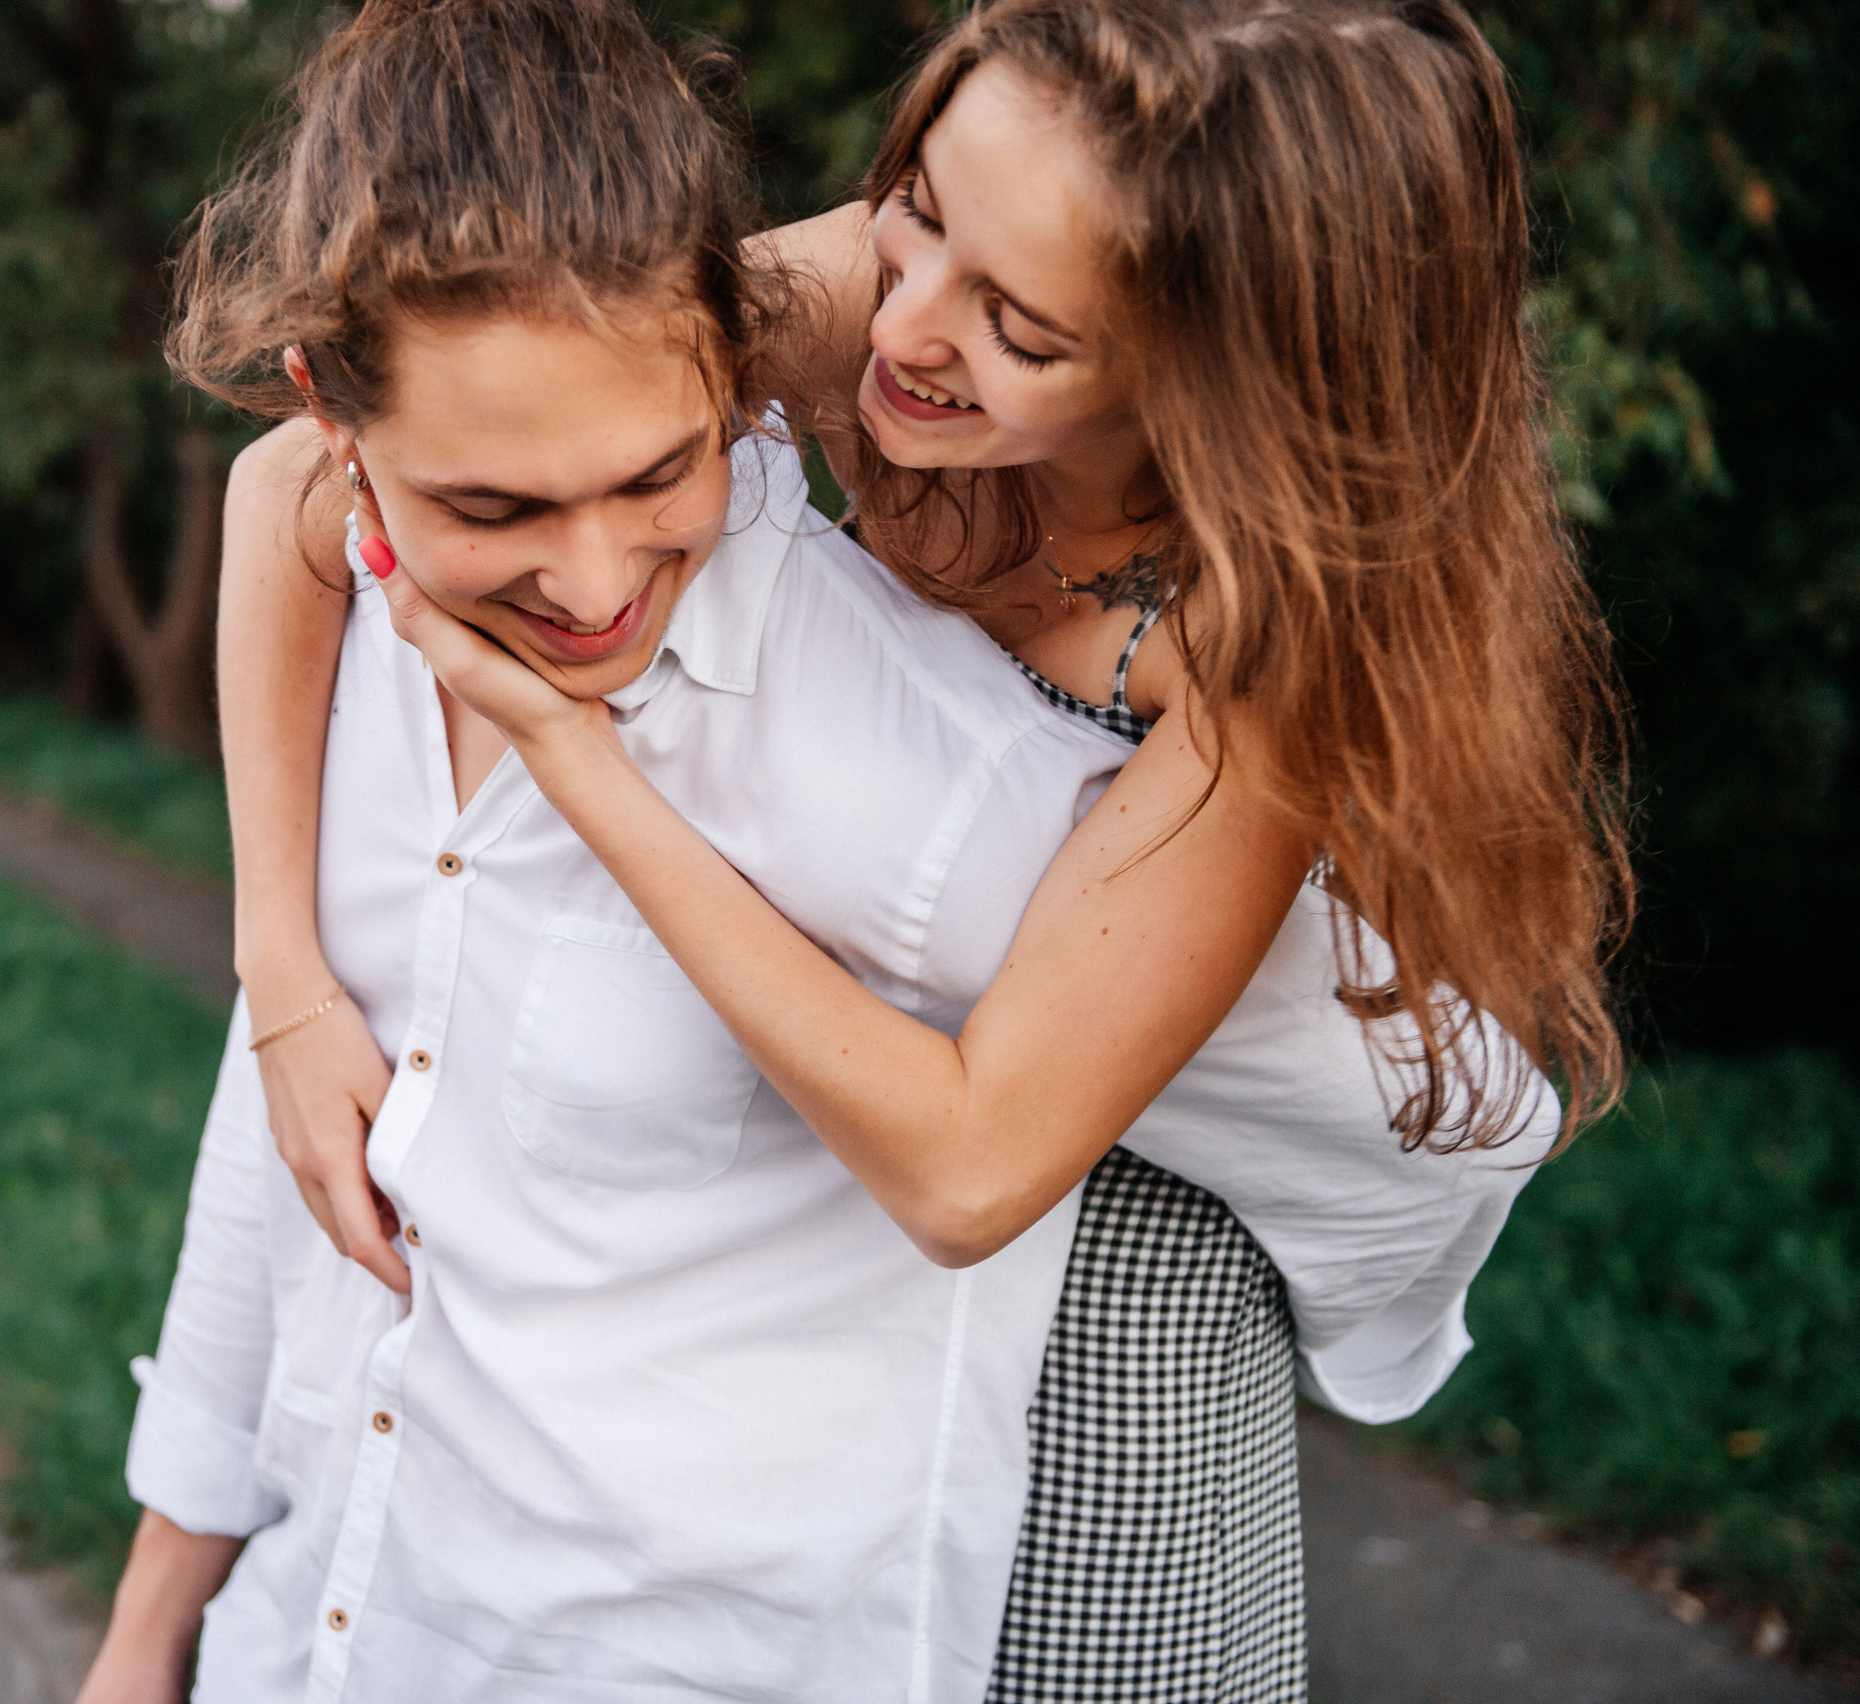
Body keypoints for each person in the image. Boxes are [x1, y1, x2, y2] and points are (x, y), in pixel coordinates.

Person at [78, 2, 1569, 1700]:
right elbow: (314, 469)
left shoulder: (1263, 651)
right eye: (915, 208)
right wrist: (281, 963)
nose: (903, 325)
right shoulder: (894, 292)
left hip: (1166, 1167)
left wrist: (575, 754)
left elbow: (979, 1165)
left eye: (1020, 328)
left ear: (1217, 365)